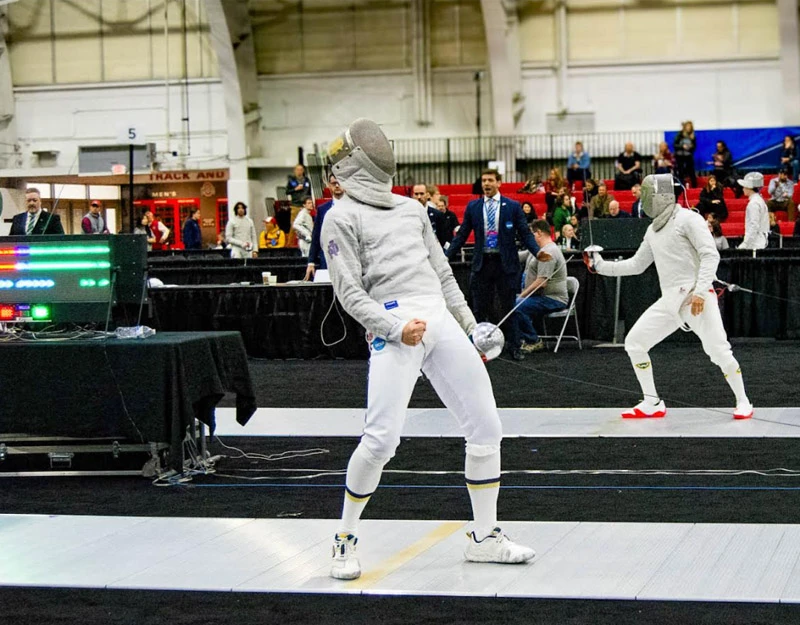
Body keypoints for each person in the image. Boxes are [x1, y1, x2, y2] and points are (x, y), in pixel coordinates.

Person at [321, 118, 535, 580]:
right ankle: (343, 539)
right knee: (381, 440)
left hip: (438, 319)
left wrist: (470, 325)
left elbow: (442, 273)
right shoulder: (338, 217)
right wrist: (395, 329)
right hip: (397, 325)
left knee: (486, 427)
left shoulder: (410, 210)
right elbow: (349, 293)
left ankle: (483, 537)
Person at [587, 173, 753, 420]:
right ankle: (652, 402)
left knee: (718, 351)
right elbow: (636, 265)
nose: (644, 199)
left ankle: (743, 401)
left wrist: (699, 292)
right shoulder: (653, 230)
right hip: (670, 301)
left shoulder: (689, 219)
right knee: (635, 343)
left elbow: (710, 255)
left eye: (647, 194)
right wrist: (600, 265)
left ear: (662, 195)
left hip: (697, 298)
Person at [446, 168, 540, 349]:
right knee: (479, 308)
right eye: (484, 181)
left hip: (505, 264)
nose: (486, 184)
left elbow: (525, 234)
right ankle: (480, 347)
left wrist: (537, 252)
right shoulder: (473, 207)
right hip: (482, 263)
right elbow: (462, 235)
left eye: (490, 180)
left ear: (499, 183)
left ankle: (515, 346)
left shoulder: (512, 206)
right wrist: (446, 257)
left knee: (509, 307)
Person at [508, 219, 568, 360]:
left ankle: (533, 340)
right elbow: (516, 258)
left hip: (553, 298)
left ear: (539, 233)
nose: (529, 238)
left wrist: (521, 296)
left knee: (516, 306)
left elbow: (542, 282)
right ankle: (520, 338)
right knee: (510, 303)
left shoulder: (549, 252)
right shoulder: (537, 250)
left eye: (531, 234)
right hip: (540, 297)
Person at [305, 173, 343, 281]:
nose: (337, 186)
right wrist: (311, 261)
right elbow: (316, 236)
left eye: (339, 183)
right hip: (327, 257)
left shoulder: (354, 208)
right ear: (329, 186)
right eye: (333, 183)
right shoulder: (322, 209)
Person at [737, 172, 769, 250]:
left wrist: (745, 244)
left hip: (755, 244)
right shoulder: (759, 200)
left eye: (744, 186)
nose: (743, 189)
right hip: (759, 241)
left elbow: (754, 225)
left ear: (750, 188)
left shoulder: (754, 203)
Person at [673, 121, 697, 188]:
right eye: (687, 126)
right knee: (681, 171)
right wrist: (682, 146)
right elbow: (675, 145)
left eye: (690, 127)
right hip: (680, 156)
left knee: (691, 171)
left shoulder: (692, 136)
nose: (688, 128)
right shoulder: (680, 134)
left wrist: (691, 147)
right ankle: (681, 186)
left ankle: (694, 187)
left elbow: (694, 146)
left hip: (688, 155)